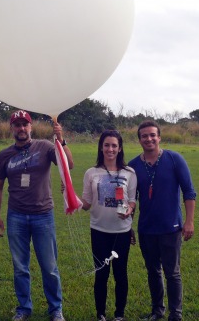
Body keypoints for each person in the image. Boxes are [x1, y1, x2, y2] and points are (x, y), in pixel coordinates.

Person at [0, 110, 72, 321]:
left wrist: (61, 139)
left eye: (24, 124)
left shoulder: (45, 147)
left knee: (50, 267)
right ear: (12, 128)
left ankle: (55, 308)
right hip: (16, 216)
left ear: (31, 126)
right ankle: (23, 308)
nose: (21, 128)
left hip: (43, 215)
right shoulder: (4, 155)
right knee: (20, 267)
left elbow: (69, 165)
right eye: (17, 125)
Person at [128, 120, 196, 321]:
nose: (149, 139)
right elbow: (131, 200)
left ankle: (176, 313)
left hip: (171, 227)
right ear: (139, 139)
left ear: (159, 137)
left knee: (172, 273)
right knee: (153, 271)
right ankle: (158, 310)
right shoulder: (133, 166)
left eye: (152, 135)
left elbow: (189, 191)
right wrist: (129, 226)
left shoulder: (174, 159)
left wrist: (189, 221)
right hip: (147, 229)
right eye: (144, 136)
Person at [81, 130, 137, 321]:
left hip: (121, 231)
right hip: (99, 230)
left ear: (120, 148)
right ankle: (101, 314)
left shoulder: (129, 173)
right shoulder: (91, 173)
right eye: (107, 145)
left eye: (114, 145)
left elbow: (132, 201)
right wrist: (69, 196)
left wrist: (129, 210)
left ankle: (119, 314)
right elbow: (86, 204)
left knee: (120, 274)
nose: (110, 149)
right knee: (101, 274)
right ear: (101, 147)